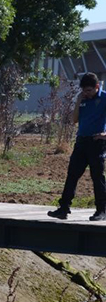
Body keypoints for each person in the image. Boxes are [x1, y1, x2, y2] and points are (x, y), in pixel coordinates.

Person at [48, 72, 106, 221]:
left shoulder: (104, 98)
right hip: (81, 142)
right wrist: (78, 102)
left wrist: (104, 135)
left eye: (89, 91)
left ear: (97, 87)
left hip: (96, 143)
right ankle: (63, 208)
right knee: (72, 174)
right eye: (83, 91)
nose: (86, 93)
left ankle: (101, 210)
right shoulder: (83, 99)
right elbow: (74, 120)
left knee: (97, 177)